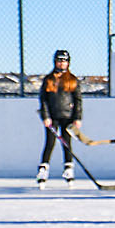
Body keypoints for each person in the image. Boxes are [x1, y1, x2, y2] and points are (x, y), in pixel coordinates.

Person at [36, 49, 82, 188]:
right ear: (55, 61)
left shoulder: (73, 79)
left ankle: (68, 169)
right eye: (60, 60)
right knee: (50, 143)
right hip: (53, 117)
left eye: (65, 61)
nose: (62, 63)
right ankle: (43, 170)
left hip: (67, 117)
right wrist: (46, 116)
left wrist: (77, 118)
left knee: (67, 143)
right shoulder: (49, 79)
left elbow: (78, 100)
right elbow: (43, 99)